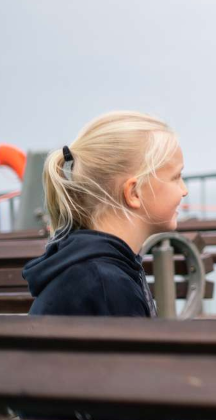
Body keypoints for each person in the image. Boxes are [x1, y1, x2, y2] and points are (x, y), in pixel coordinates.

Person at [23, 111, 188, 317]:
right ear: (133, 193)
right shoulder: (107, 286)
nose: (184, 190)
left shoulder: (92, 271)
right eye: (176, 177)